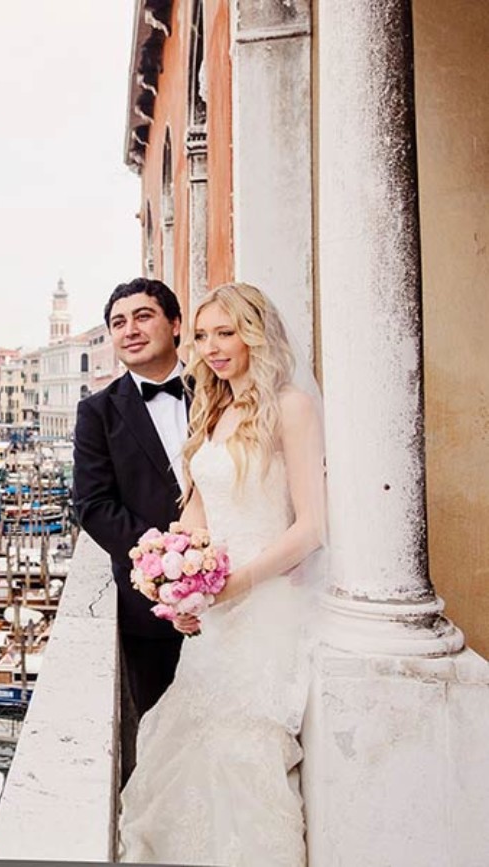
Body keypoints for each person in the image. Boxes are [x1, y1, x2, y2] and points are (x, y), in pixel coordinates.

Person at [117, 282, 326, 866]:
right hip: (215, 612)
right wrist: (175, 582)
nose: (212, 347)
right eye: (204, 335)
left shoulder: (291, 408)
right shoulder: (213, 410)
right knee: (186, 743)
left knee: (240, 748)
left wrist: (236, 585)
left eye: (226, 333)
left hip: (267, 602)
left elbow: (310, 527)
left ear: (255, 333)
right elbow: (197, 514)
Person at [72, 277, 188, 778]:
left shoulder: (225, 391)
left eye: (143, 316)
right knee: (166, 743)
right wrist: (169, 566)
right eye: (118, 323)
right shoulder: (96, 412)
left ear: (175, 324)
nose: (130, 330)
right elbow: (94, 506)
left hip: (247, 594)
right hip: (151, 608)